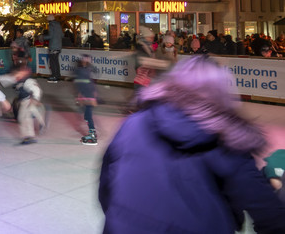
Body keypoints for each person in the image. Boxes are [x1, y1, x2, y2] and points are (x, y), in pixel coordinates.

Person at [99, 56, 285, 233]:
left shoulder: (135, 123)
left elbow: (106, 185)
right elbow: (266, 213)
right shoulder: (227, 140)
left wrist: (120, 218)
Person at [0, 57, 45, 145]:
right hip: (24, 101)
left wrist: (35, 99)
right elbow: (7, 78)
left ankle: (28, 136)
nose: (16, 74)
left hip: (27, 101)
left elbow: (36, 89)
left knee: (22, 118)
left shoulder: (27, 80)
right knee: (28, 116)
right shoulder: (18, 77)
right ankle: (33, 131)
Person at [72, 54, 98, 145]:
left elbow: (82, 83)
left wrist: (80, 96)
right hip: (87, 95)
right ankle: (92, 132)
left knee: (88, 116)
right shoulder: (85, 70)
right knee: (87, 116)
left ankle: (92, 134)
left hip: (88, 96)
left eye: (86, 60)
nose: (84, 61)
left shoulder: (83, 71)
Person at [46, 15, 62, 82]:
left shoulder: (51, 25)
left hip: (53, 46)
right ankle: (58, 75)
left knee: (52, 62)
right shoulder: (58, 25)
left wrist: (43, 37)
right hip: (59, 46)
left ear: (49, 20)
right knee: (56, 61)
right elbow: (62, 35)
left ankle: (54, 76)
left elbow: (50, 36)